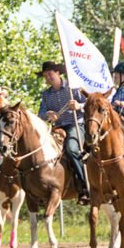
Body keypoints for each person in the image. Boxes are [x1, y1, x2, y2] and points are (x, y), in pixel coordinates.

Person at [36, 61, 90, 205]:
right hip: (57, 129)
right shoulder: (46, 94)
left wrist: (79, 106)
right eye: (45, 75)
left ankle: (85, 186)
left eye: (50, 74)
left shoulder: (74, 88)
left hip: (76, 125)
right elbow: (40, 114)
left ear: (58, 73)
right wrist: (48, 114)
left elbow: (91, 104)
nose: (48, 77)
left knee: (72, 149)